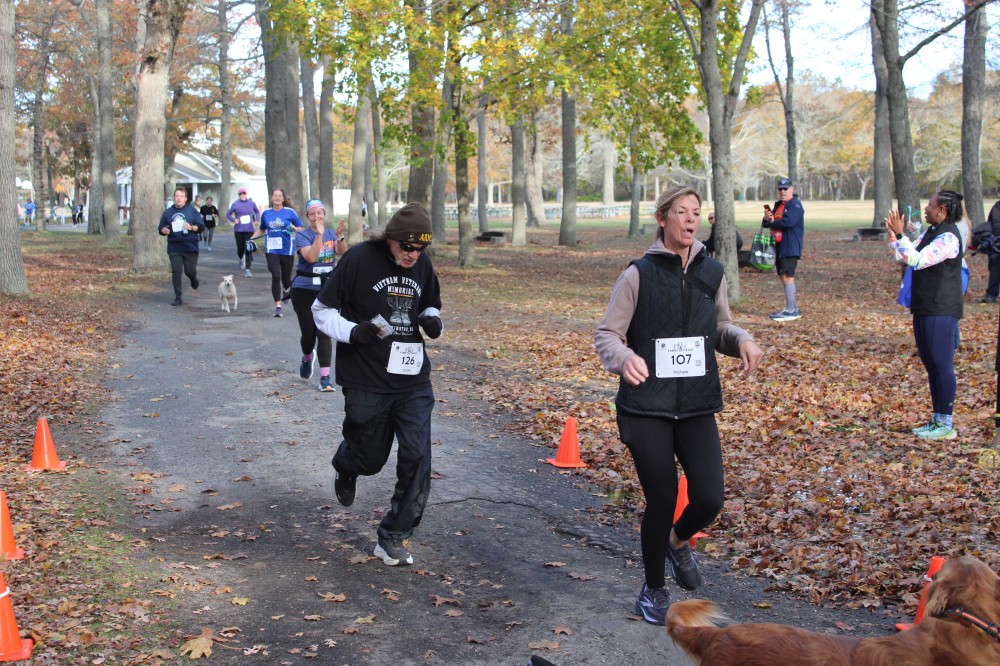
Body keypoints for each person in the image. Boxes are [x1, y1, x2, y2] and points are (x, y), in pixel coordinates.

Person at [594, 184, 762, 626]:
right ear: (663, 219)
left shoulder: (713, 272)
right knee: (663, 498)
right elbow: (608, 334)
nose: (690, 220)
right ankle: (653, 590)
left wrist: (742, 340)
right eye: (682, 212)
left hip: (695, 403)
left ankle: (678, 540)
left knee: (709, 497)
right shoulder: (638, 274)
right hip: (646, 405)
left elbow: (719, 328)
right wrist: (624, 358)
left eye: (696, 212)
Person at [312, 202, 443, 567]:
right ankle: (347, 464)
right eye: (408, 247)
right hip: (365, 376)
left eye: (421, 249)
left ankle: (394, 536)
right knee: (369, 459)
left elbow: (430, 306)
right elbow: (321, 311)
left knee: (417, 456)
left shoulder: (422, 265)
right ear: (392, 239)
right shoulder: (358, 259)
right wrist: (353, 331)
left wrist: (433, 322)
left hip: (412, 380)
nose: (413, 255)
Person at [885, 190, 965, 441]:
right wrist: (894, 236)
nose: (926, 209)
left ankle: (946, 424)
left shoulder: (949, 237)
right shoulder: (931, 232)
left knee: (941, 364)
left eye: (930, 205)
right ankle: (937, 420)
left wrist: (901, 235)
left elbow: (918, 260)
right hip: (925, 306)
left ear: (942, 210)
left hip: (941, 308)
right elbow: (904, 257)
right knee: (931, 364)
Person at [291, 200, 348, 391]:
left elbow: (342, 253)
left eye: (319, 213)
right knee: (309, 335)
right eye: (312, 214)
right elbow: (311, 258)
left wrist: (339, 237)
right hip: (304, 290)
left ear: (324, 214)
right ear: (308, 217)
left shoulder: (331, 233)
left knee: (324, 333)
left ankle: (325, 378)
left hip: (326, 290)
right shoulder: (302, 236)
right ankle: (307, 357)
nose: (317, 217)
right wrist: (319, 236)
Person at [249, 188, 303, 318]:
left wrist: (294, 228)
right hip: (271, 249)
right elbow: (262, 230)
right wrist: (251, 239)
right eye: (275, 195)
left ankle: (286, 289)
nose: (277, 198)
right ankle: (278, 306)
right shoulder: (266, 213)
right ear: (272, 197)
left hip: (287, 249)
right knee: (275, 274)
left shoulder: (290, 212)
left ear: (283, 199)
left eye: (279, 196)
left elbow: (301, 228)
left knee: (286, 279)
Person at [762, 177, 805, 321]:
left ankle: (791, 310)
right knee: (783, 275)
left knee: (788, 276)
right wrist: (767, 218)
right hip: (779, 245)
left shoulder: (795, 204)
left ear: (792, 189)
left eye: (785, 189)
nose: (782, 191)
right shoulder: (779, 205)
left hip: (790, 246)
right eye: (780, 189)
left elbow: (789, 222)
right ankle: (793, 308)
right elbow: (767, 224)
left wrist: (773, 222)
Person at [158, 187, 205, 306]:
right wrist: (163, 230)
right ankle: (178, 297)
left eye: (181, 196)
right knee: (176, 271)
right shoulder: (168, 212)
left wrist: (191, 227)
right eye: (177, 196)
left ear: (185, 198)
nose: (178, 198)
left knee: (190, 271)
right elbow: (161, 228)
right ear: (174, 197)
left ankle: (193, 279)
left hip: (190, 246)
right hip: (175, 246)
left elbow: (201, 226)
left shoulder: (191, 210)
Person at [227, 188, 260, 278]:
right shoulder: (235, 204)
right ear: (239, 195)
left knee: (248, 248)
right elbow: (228, 214)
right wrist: (234, 220)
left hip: (249, 230)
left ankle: (248, 270)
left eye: (244, 193)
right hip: (239, 230)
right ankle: (241, 258)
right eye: (240, 194)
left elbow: (257, 212)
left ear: (246, 194)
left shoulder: (251, 203)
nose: (242, 195)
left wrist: (257, 220)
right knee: (240, 248)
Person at [980, 198, 1000, 303]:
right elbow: (989, 224)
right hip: (996, 244)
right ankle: (991, 294)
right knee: (994, 270)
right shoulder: (996, 207)